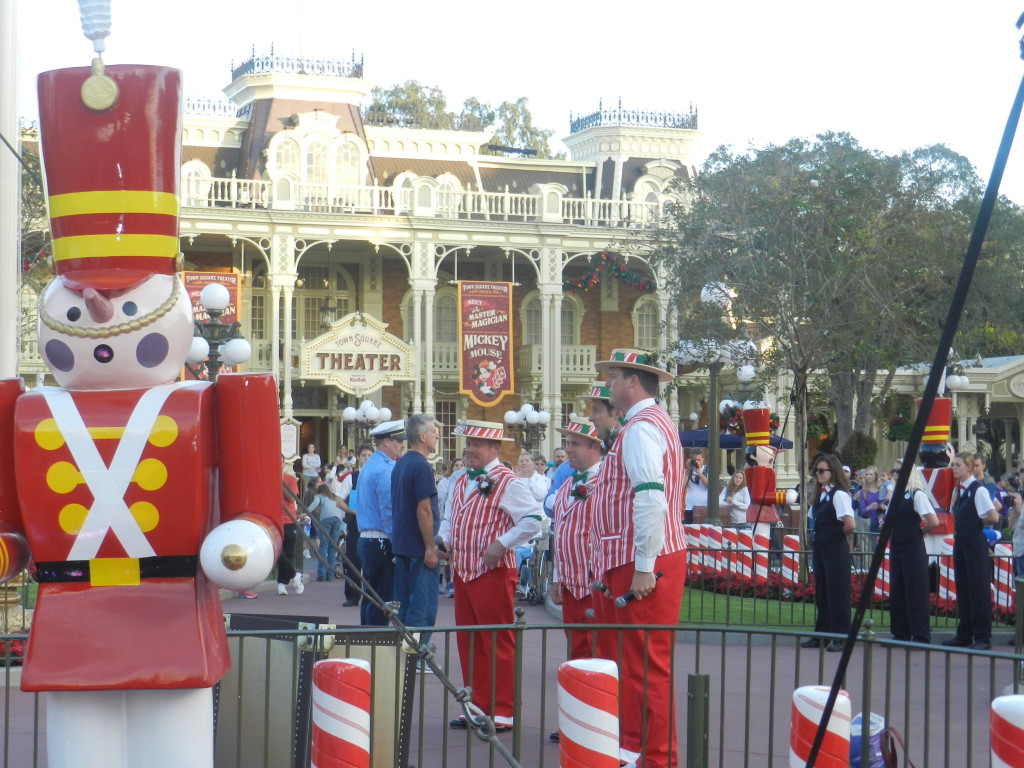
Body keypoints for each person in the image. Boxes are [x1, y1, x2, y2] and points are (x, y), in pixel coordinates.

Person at [590, 349, 686, 768]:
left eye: (613, 378)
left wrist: (645, 565)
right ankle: (636, 748)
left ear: (632, 382)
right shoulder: (649, 424)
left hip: (643, 559)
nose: (609, 386)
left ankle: (657, 756)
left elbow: (650, 498)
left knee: (646, 665)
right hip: (641, 555)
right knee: (637, 663)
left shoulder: (642, 429)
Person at [438, 420, 542, 732]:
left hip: (493, 573)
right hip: (464, 573)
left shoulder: (508, 481)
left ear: (494, 449)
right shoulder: (459, 482)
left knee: (497, 640)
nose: (469, 449)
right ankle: (476, 704)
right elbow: (448, 517)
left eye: (476, 444)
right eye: (468, 442)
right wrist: (444, 540)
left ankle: (503, 711)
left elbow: (534, 519)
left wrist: (502, 542)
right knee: (469, 641)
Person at [548, 416, 602, 659]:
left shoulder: (608, 483)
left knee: (598, 652)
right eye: (568, 443)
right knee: (576, 651)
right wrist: (556, 578)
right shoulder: (565, 485)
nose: (568, 449)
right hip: (570, 586)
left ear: (595, 447)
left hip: (596, 586)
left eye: (575, 444)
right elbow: (558, 534)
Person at [942, 451, 999, 650]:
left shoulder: (978, 490)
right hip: (962, 543)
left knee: (978, 590)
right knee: (964, 590)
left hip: (975, 543)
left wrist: (974, 522)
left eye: (957, 465)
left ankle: (983, 637)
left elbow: (993, 516)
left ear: (968, 467)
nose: (954, 468)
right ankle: (964, 634)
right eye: (953, 464)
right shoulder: (958, 490)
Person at [391, 415, 441, 640]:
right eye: (433, 431)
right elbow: (424, 510)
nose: (437, 435)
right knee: (422, 608)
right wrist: (430, 548)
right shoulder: (422, 467)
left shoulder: (401, 464)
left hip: (402, 545)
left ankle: (402, 657)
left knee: (404, 606)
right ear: (422, 436)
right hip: (419, 550)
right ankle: (416, 657)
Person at [801, 454, 855, 651]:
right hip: (821, 548)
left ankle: (841, 636)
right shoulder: (820, 495)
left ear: (833, 472)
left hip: (834, 548)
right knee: (822, 591)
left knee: (837, 592)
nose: (818, 474)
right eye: (816, 471)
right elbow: (813, 519)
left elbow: (850, 524)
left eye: (822, 471)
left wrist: (833, 535)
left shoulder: (839, 495)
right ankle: (822, 633)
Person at [357, 421, 406, 626]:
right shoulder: (385, 471)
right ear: (387, 442)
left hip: (367, 539)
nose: (402, 445)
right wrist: (397, 544)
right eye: (399, 441)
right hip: (381, 540)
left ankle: (365, 642)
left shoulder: (370, 466)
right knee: (383, 601)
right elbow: (389, 512)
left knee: (371, 598)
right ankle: (375, 646)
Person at [886, 465, 939, 643]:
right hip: (897, 545)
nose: (895, 474)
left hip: (912, 545)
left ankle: (920, 634)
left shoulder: (917, 494)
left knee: (915, 590)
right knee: (898, 589)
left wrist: (920, 532)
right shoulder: (896, 496)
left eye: (899, 471)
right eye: (894, 471)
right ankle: (900, 632)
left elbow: (933, 520)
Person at [336, 444, 373, 607]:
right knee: (353, 560)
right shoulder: (352, 477)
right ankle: (352, 595)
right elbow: (339, 502)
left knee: (374, 560)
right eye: (364, 455)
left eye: (369, 455)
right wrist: (353, 511)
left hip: (374, 525)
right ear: (358, 457)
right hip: (356, 524)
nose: (367, 458)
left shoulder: (379, 476)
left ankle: (373, 595)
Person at [277, 463, 305, 595]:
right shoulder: (266, 478)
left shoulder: (290, 479)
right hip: (274, 520)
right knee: (277, 552)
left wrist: (280, 481)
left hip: (288, 520)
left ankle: (282, 584)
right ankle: (294, 575)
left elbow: (290, 497)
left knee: (288, 553)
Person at [308, 478, 342, 582]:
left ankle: (321, 574)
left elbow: (312, 506)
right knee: (332, 547)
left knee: (323, 546)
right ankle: (330, 574)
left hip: (325, 519)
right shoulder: (334, 497)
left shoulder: (319, 496)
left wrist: (305, 513)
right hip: (338, 520)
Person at [684, 449, 709, 524]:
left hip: (703, 508)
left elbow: (710, 485)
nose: (697, 462)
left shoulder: (708, 470)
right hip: (689, 508)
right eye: (695, 460)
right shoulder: (686, 471)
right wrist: (688, 472)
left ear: (703, 459)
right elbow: (681, 487)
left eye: (699, 460)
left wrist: (699, 473)